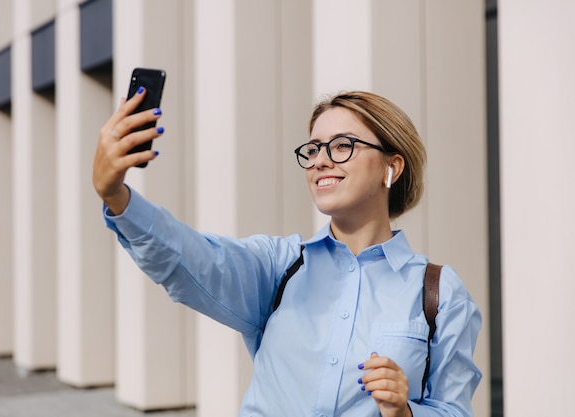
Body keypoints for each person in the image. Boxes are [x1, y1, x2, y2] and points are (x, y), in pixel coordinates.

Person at [93, 89, 482, 417]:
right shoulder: (278, 267)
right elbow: (190, 258)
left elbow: (455, 409)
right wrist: (117, 196)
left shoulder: (439, 294)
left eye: (342, 145)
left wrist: (406, 412)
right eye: (313, 148)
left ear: (391, 168)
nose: (320, 160)